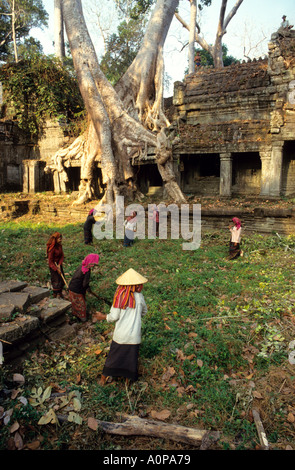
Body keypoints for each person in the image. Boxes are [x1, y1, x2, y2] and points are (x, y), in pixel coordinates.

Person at [95, 268, 148, 385]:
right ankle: (127, 381)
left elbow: (113, 316)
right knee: (131, 359)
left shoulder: (119, 297)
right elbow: (144, 312)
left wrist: (102, 316)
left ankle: (103, 379)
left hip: (121, 335)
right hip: (134, 336)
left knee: (113, 358)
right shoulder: (139, 297)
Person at [68, 253, 100, 322]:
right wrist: (88, 289)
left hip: (71, 287)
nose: (94, 265)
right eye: (93, 264)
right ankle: (83, 320)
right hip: (77, 290)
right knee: (81, 306)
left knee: (75, 303)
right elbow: (85, 284)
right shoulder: (87, 271)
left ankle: (75, 316)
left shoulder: (82, 265)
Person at [46, 232, 65, 298]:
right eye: (59, 238)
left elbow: (62, 256)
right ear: (56, 239)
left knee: (62, 279)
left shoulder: (59, 246)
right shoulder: (52, 249)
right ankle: (55, 295)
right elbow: (50, 261)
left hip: (58, 265)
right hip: (53, 266)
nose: (61, 240)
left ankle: (60, 293)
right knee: (56, 280)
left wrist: (59, 264)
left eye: (61, 238)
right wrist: (56, 269)